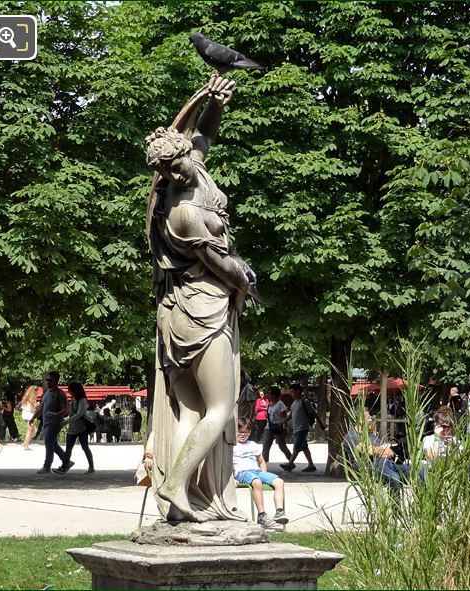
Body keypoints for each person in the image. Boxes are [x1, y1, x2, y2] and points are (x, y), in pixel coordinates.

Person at [146, 74, 256, 522]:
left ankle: (179, 499)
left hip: (177, 314)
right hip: (202, 311)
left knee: (190, 408)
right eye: (176, 164)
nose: (189, 161)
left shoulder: (191, 168)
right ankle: (175, 484)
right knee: (220, 408)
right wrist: (247, 280)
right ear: (168, 171)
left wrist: (215, 103)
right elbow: (223, 267)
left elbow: (205, 134)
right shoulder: (185, 213)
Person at [233, 418, 288, 528]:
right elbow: (226, 464)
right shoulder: (233, 446)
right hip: (242, 472)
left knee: (279, 481)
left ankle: (279, 511)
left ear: (250, 432)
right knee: (257, 482)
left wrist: (265, 475)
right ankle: (261, 515)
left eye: (246, 432)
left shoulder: (253, 444)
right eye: (240, 432)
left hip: (256, 471)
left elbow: (261, 461)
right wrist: (232, 478)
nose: (243, 434)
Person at [342, 408, 411, 492]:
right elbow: (370, 451)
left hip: (388, 465)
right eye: (369, 418)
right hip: (371, 469)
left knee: (421, 474)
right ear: (360, 420)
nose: (371, 420)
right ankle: (395, 505)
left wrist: (383, 450)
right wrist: (382, 450)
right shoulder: (352, 437)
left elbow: (387, 452)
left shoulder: (371, 435)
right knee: (394, 478)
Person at [281, 383, 326, 472]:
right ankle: (311, 465)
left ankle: (290, 464)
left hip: (303, 428)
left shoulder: (305, 402)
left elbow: (314, 413)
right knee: (304, 447)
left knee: (296, 446)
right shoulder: (294, 403)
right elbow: (291, 415)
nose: (291, 394)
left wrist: (321, 424)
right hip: (296, 428)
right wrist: (283, 421)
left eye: (292, 392)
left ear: (298, 391)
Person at [31, 371, 68, 474]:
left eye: (50, 380)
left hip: (55, 422)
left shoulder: (60, 394)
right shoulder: (46, 392)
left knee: (48, 442)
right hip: (46, 422)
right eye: (47, 380)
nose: (48, 382)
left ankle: (47, 466)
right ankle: (66, 461)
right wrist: (33, 417)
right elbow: (41, 407)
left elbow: (65, 409)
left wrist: (56, 414)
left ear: (56, 381)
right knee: (53, 443)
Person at [54, 382, 94, 474]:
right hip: (72, 428)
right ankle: (64, 467)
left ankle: (91, 467)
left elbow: (80, 414)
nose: (69, 392)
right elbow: (70, 413)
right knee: (68, 449)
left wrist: (66, 421)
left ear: (76, 390)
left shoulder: (82, 400)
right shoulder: (73, 401)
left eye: (70, 390)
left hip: (82, 428)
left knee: (85, 447)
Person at [261, 386, 293, 464]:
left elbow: (284, 417)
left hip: (278, 428)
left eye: (270, 394)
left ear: (275, 395)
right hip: (269, 427)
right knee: (265, 446)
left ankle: (291, 461)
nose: (268, 396)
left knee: (282, 446)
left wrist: (285, 428)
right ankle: (263, 462)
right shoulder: (269, 404)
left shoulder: (280, 404)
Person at [20, 385, 39, 449]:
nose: (37, 393)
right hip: (29, 415)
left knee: (35, 430)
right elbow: (31, 409)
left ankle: (25, 442)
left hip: (25, 414)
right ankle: (26, 445)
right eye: (36, 391)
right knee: (30, 431)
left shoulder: (26, 396)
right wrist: (37, 405)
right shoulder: (32, 398)